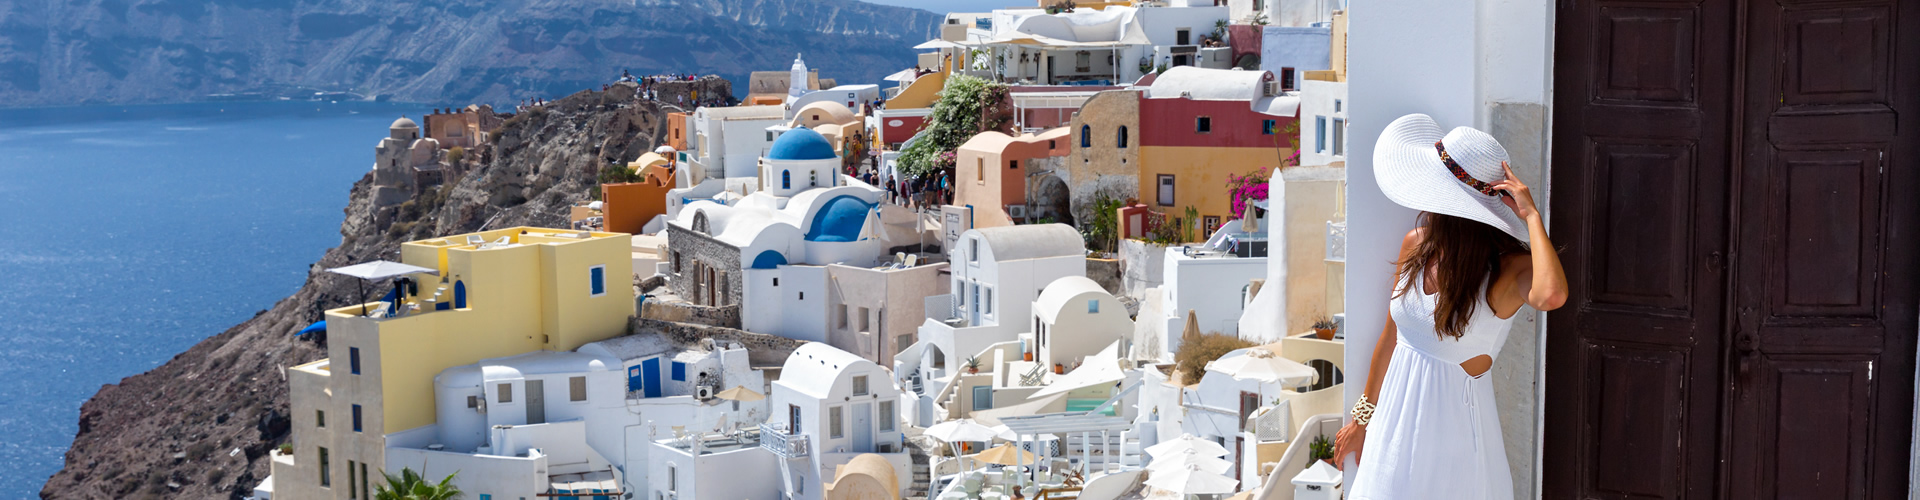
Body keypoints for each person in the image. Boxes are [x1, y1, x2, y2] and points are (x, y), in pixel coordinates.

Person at [1333, 114, 1568, 500]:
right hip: (1391, 434)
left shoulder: (1507, 270)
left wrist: (1532, 217)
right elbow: (1391, 337)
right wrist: (1363, 418)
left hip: (1456, 451)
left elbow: (1551, 295)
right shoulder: (1417, 243)